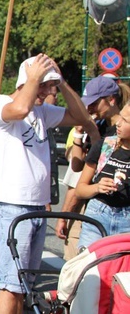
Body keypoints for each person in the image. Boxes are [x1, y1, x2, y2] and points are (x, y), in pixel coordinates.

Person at [0, 54, 99, 314]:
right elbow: (18, 110)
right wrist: (35, 77)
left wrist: (63, 83)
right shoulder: (1, 103)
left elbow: (82, 117)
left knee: (24, 286)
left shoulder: (43, 112)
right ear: (28, 79)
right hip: (10, 205)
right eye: (45, 84)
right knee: (10, 284)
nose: (47, 91)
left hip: (36, 206)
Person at [56, 76, 125, 259]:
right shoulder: (99, 124)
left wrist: (93, 132)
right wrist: (79, 134)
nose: (90, 108)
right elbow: (77, 165)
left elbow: (100, 164)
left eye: (94, 103)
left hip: (115, 208)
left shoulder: (120, 132)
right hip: (91, 202)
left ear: (111, 100)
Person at [74, 102, 130, 247]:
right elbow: (80, 190)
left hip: (127, 221)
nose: (118, 123)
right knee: (90, 266)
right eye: (120, 117)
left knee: (119, 269)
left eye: (125, 120)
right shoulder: (104, 146)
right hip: (98, 214)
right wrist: (97, 187)